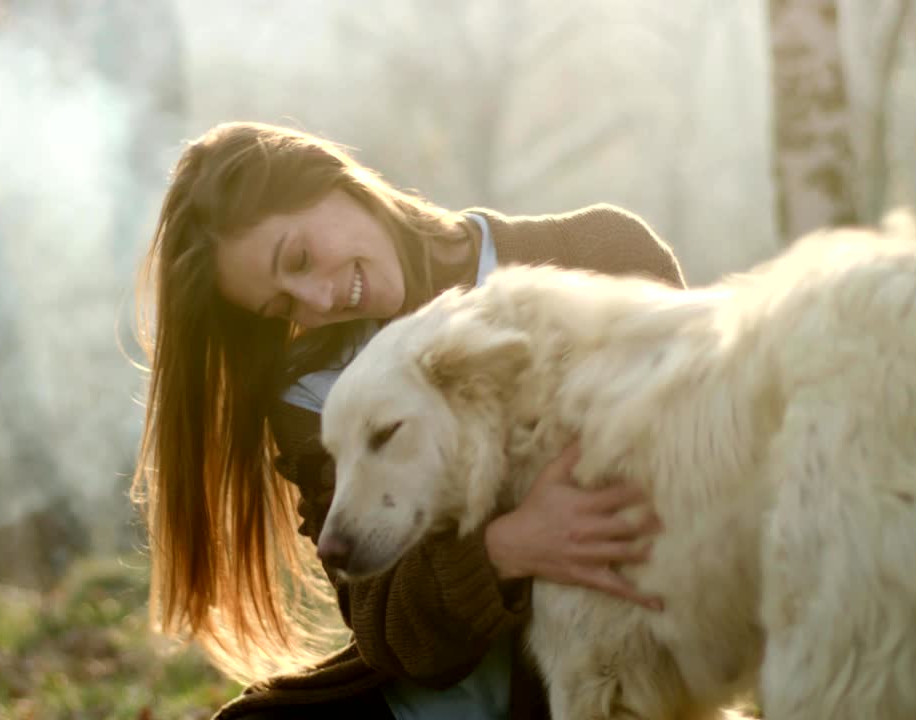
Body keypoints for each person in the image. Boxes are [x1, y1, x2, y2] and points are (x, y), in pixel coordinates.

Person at [132, 121, 685, 720]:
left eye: (299, 256)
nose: (318, 300)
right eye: (283, 306)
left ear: (333, 182)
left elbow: (698, 467)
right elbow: (390, 631)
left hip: (618, 664)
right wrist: (504, 549)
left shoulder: (605, 253)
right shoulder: (314, 389)